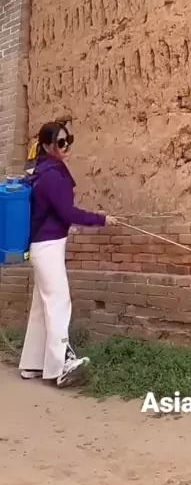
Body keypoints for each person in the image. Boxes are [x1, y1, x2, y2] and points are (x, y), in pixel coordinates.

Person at [19, 121, 118, 387]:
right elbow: (68, 213)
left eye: (68, 140)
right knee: (58, 303)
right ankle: (61, 365)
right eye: (60, 142)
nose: (66, 146)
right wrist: (101, 219)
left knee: (42, 307)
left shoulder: (45, 171)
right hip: (47, 247)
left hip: (44, 246)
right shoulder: (51, 176)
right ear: (46, 146)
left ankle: (32, 365)